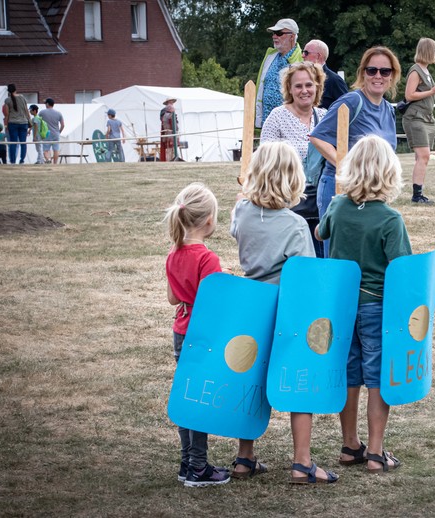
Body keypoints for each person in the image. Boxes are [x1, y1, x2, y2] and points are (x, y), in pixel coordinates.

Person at [230, 141, 338, 484]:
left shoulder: (242, 212)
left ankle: (244, 458)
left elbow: (236, 227)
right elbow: (306, 274)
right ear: (293, 179)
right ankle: (301, 462)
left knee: (250, 381)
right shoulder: (294, 225)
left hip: (250, 306)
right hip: (285, 311)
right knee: (297, 381)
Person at [315, 135, 412, 474]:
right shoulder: (390, 219)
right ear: (389, 173)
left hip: (341, 306)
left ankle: (349, 445)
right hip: (375, 307)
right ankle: (374, 452)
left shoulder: (337, 206)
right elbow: (403, 270)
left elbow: (320, 234)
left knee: (350, 374)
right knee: (377, 377)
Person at [165, 182, 267, 487]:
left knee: (187, 396)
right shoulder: (207, 259)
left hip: (181, 331)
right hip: (205, 336)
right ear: (209, 220)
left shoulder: (174, 253)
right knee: (200, 400)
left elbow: (173, 298)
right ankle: (198, 467)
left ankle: (187, 463)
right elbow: (217, 303)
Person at [309, 45, 401, 256]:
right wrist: (347, 167)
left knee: (365, 252)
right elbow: (317, 137)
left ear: (392, 76)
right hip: (340, 187)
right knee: (336, 253)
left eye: (385, 71)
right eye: (372, 70)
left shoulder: (388, 109)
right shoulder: (352, 101)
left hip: (374, 193)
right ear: (363, 73)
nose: (378, 76)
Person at [261, 61, 327, 257]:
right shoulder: (277, 116)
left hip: (318, 201)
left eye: (309, 85)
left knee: (319, 254)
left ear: (317, 86)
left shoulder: (324, 117)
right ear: (290, 89)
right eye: (298, 86)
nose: (304, 90)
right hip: (287, 200)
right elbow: (265, 160)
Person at [402, 38, 435, 204]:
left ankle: (419, 192)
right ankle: (417, 195)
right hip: (416, 117)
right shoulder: (416, 71)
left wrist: (434, 91)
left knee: (422, 157)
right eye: (434, 50)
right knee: (424, 156)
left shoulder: (426, 71)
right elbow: (409, 95)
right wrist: (432, 91)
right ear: (428, 51)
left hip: (426, 117)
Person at [255, 18, 303, 128]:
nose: (274, 36)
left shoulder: (302, 60)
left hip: (290, 123)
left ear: (292, 36)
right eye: (273, 33)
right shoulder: (270, 56)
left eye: (279, 33)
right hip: (267, 121)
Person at [302, 39, 348, 109]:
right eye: (303, 52)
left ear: (318, 56)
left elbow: (347, 108)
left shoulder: (334, 80)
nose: (303, 56)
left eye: (306, 53)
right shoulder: (302, 78)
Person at [3, 84, 31, 164]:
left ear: (8, 91)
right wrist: (30, 122)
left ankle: (12, 161)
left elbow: (7, 114)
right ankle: (22, 160)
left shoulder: (7, 100)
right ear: (16, 89)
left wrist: (6, 125)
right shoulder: (22, 97)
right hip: (23, 123)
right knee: (23, 143)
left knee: (13, 143)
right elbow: (26, 111)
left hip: (12, 123)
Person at [40, 98, 65, 164]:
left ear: (47, 104)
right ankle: (55, 163)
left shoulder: (42, 112)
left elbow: (38, 123)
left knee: (46, 150)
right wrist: (59, 132)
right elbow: (62, 125)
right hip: (56, 133)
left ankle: (48, 160)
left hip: (46, 133)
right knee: (56, 150)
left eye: (45, 103)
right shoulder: (58, 113)